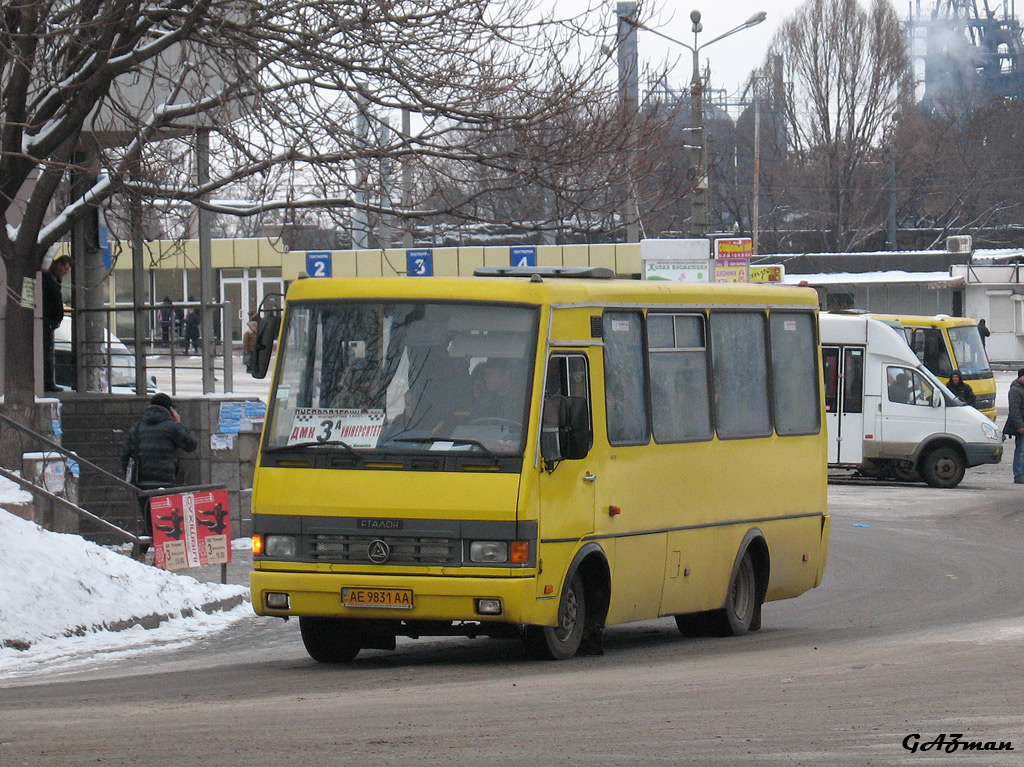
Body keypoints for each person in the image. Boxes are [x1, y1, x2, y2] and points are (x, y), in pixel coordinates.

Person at [120, 393, 198, 553]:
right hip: (165, 483)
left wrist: (131, 477)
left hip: (141, 484)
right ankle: (155, 558)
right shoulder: (172, 427)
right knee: (163, 523)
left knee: (151, 522)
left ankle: (143, 556)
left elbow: (124, 454)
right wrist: (179, 423)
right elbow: (191, 445)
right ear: (169, 409)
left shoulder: (138, 427)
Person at [41, 254, 72, 393]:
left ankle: (47, 381)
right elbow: (53, 299)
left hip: (50, 320)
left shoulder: (54, 277)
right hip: (46, 319)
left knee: (47, 351)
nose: (65, 272)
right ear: (58, 264)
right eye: (64, 268)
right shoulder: (48, 277)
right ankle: (47, 382)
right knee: (46, 352)